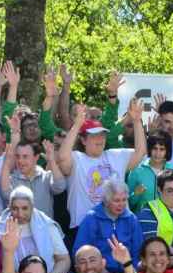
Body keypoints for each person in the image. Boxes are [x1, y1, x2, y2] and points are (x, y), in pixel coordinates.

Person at [58, 88, 146, 234]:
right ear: (83, 140)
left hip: (118, 225)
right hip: (86, 227)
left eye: (102, 135)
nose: (100, 139)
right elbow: (62, 157)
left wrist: (137, 121)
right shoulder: (76, 159)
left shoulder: (115, 155)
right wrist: (77, 125)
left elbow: (140, 152)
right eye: (94, 136)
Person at [0, 187, 70, 273]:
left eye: (25, 208)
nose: (20, 214)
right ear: (9, 207)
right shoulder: (0, 229)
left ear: (32, 206)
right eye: (15, 208)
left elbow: (64, 259)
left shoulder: (46, 225)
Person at [73, 180, 144, 273]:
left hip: (128, 271)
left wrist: (131, 270)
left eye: (124, 200)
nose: (121, 204)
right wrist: (99, 269)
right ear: (106, 201)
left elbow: (138, 251)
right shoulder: (92, 218)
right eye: (116, 200)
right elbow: (79, 251)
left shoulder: (131, 219)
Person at [0, 139, 66, 220]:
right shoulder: (11, 179)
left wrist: (51, 160)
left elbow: (61, 187)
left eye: (25, 156)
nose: (20, 160)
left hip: (44, 230)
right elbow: (6, 195)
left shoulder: (45, 177)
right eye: (17, 156)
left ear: (36, 157)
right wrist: (7, 160)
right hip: (20, 231)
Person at [136, 169, 173, 256]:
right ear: (159, 190)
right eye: (170, 191)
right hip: (162, 265)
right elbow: (151, 246)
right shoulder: (148, 212)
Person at [126, 131, 173, 214]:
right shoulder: (136, 170)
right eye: (154, 148)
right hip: (143, 222)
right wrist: (135, 194)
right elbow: (127, 203)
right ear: (149, 149)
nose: (157, 153)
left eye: (162, 149)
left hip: (167, 223)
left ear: (167, 151)